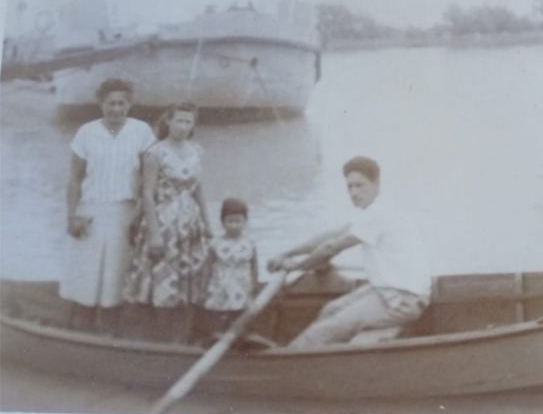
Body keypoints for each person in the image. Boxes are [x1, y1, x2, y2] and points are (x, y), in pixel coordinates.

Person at [268, 156, 431, 348]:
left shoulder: (379, 214)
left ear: (376, 183)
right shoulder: (375, 209)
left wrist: (296, 267)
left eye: (360, 185)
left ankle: (289, 362)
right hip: (388, 290)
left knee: (321, 331)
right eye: (350, 187)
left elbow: (331, 247)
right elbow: (332, 235)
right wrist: (288, 253)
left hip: (403, 301)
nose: (354, 192)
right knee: (330, 309)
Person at [62, 78, 156, 332]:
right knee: (85, 281)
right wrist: (72, 217)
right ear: (100, 104)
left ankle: (111, 337)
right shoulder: (86, 132)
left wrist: (138, 218)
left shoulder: (142, 131)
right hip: (89, 213)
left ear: (130, 104)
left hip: (124, 214)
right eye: (110, 103)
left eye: (121, 103)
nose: (116, 109)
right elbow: (74, 180)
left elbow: (148, 184)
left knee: (115, 282)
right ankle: (79, 336)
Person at [122, 102, 211, 342]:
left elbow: (198, 189)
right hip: (164, 223)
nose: (183, 127)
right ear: (168, 122)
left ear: (193, 125)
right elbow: (147, 194)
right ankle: (159, 339)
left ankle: (183, 337)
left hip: (190, 225)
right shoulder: (155, 153)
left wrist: (208, 223)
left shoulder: (196, 151)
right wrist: (154, 234)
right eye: (179, 121)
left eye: (188, 122)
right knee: (162, 279)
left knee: (190, 278)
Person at [201, 198, 259, 336]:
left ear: (245, 222)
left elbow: (254, 265)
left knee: (241, 310)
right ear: (222, 222)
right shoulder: (216, 243)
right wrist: (203, 287)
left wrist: (255, 283)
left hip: (242, 282)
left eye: (238, 221)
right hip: (222, 283)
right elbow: (207, 266)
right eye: (230, 221)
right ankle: (218, 333)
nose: (234, 225)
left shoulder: (249, 243)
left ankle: (242, 334)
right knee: (221, 311)